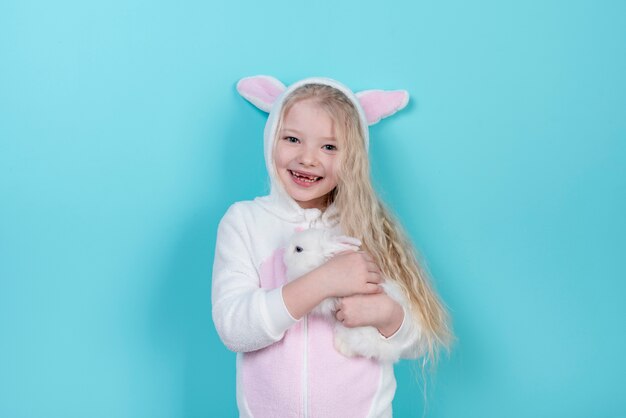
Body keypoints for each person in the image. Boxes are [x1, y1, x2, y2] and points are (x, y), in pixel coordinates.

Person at [212, 75, 452, 418]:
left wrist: (387, 314)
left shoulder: (366, 228)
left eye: (329, 146)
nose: (308, 159)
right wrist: (324, 280)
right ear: (271, 140)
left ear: (352, 157)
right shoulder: (245, 222)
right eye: (293, 139)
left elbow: (415, 341)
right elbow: (234, 328)